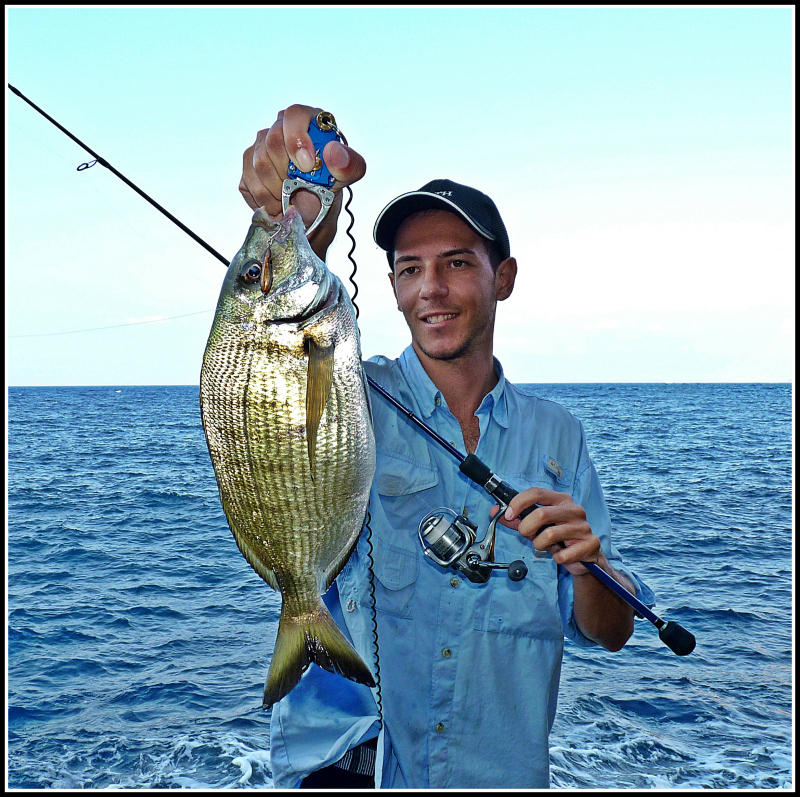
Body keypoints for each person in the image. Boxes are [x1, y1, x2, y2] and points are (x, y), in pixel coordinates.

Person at [238, 105, 656, 789]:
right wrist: (300, 201)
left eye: (457, 263)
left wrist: (590, 567)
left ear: (505, 277)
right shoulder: (350, 396)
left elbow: (607, 631)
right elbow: (279, 344)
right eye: (410, 269)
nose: (430, 288)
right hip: (346, 772)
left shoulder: (558, 436)